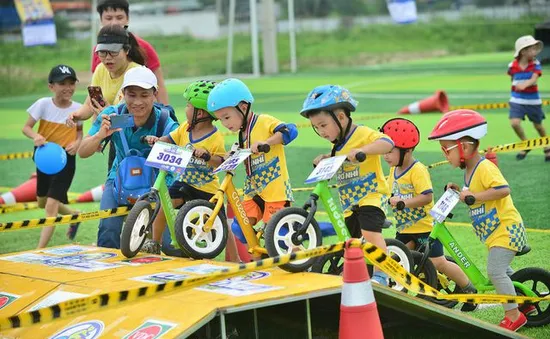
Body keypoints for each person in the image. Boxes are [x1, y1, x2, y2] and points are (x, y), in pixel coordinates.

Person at [428, 109, 533, 332]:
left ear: (464, 147)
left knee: (495, 272)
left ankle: (514, 315)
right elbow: (473, 192)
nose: (445, 156)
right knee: (504, 273)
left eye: (446, 150)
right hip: (495, 232)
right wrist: (459, 191)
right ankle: (527, 303)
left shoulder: (484, 167)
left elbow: (503, 190)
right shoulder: (469, 170)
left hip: (507, 229)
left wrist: (475, 196)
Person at [300, 85, 392, 285]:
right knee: (349, 241)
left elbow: (387, 143)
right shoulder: (337, 146)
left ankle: (382, 275)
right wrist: (326, 159)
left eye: (323, 125)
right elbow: (339, 162)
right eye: (316, 127)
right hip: (350, 203)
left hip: (371, 195)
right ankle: (356, 273)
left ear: (341, 117)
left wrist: (363, 150)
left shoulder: (362, 134)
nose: (320, 131)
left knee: (369, 232)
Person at [381, 118, 476, 310]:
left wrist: (403, 203)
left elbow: (426, 197)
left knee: (438, 262)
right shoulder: (394, 170)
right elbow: (387, 187)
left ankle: (469, 289)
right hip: (405, 228)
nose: (385, 156)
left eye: (389, 151)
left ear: (406, 150)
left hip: (425, 229)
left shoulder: (417, 170)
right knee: (397, 258)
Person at [78, 66, 178, 249]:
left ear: (155, 95)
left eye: (144, 95)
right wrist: (101, 135)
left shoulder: (165, 121)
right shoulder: (111, 115)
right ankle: (109, 275)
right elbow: (82, 152)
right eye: (132, 94)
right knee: (108, 230)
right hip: (118, 180)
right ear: (123, 93)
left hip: (157, 185)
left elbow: (178, 163)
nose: (137, 102)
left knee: (167, 243)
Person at [207, 78, 298, 258]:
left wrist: (267, 142)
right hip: (254, 192)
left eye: (226, 117)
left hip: (275, 191)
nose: (225, 124)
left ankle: (299, 258)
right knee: (240, 228)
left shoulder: (263, 121)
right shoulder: (242, 133)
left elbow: (290, 131)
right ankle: (261, 258)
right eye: (220, 120)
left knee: (281, 237)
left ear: (242, 106)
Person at [139, 80, 230, 256]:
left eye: (188, 105)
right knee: (164, 204)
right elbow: (169, 139)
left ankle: (233, 258)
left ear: (201, 112)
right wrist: (157, 140)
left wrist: (206, 156)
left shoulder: (215, 137)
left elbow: (220, 162)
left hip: (207, 189)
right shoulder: (185, 128)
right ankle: (154, 243)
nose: (185, 109)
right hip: (185, 183)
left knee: (222, 224)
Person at [68, 24, 145, 171]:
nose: (107, 58)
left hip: (139, 141)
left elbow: (134, 116)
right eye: (102, 53)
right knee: (118, 185)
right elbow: (91, 103)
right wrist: (77, 115)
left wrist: (107, 112)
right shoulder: (100, 69)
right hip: (116, 140)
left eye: (113, 52)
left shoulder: (137, 72)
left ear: (127, 50)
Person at [22, 65, 83, 248]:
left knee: (50, 207)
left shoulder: (79, 109)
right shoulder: (43, 104)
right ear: (51, 86)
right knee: (41, 201)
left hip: (66, 161)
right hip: (44, 159)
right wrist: (36, 136)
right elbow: (26, 128)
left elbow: (79, 132)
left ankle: (39, 251)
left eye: (71, 83)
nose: (68, 87)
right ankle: (74, 215)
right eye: (62, 83)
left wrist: (78, 142)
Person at [93, 0, 169, 104]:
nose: (114, 22)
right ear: (101, 20)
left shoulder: (144, 47)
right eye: (109, 18)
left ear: (127, 19)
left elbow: (159, 86)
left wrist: (166, 113)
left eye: (119, 17)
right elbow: (96, 95)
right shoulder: (97, 51)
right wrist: (96, 119)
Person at [507, 35, 550, 161]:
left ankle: (547, 146)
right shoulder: (512, 66)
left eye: (535, 49)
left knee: (538, 126)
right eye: (532, 49)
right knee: (514, 123)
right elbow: (512, 78)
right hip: (516, 100)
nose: (535, 52)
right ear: (523, 51)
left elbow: (534, 78)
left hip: (533, 101)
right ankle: (526, 143)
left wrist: (524, 85)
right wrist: (515, 89)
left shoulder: (535, 64)